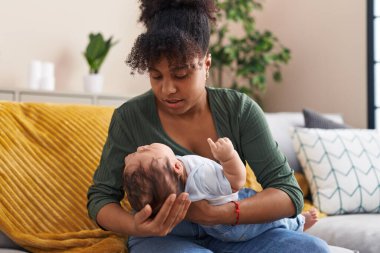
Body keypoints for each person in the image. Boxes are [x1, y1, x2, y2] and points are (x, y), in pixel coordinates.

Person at [87, 0, 330, 252]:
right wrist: (136, 226)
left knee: (314, 249)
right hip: (165, 237)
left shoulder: (239, 110)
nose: (167, 89)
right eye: (156, 75)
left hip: (235, 230)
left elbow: (288, 194)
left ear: (206, 65)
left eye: (181, 74)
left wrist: (220, 214)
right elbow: (101, 198)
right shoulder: (130, 117)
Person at [123, 138, 318, 242]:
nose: (140, 146)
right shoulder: (201, 173)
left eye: (135, 153)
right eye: (144, 151)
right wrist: (229, 157)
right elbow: (237, 181)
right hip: (231, 227)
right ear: (176, 167)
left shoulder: (166, 181)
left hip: (214, 220)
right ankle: (299, 222)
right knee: (267, 220)